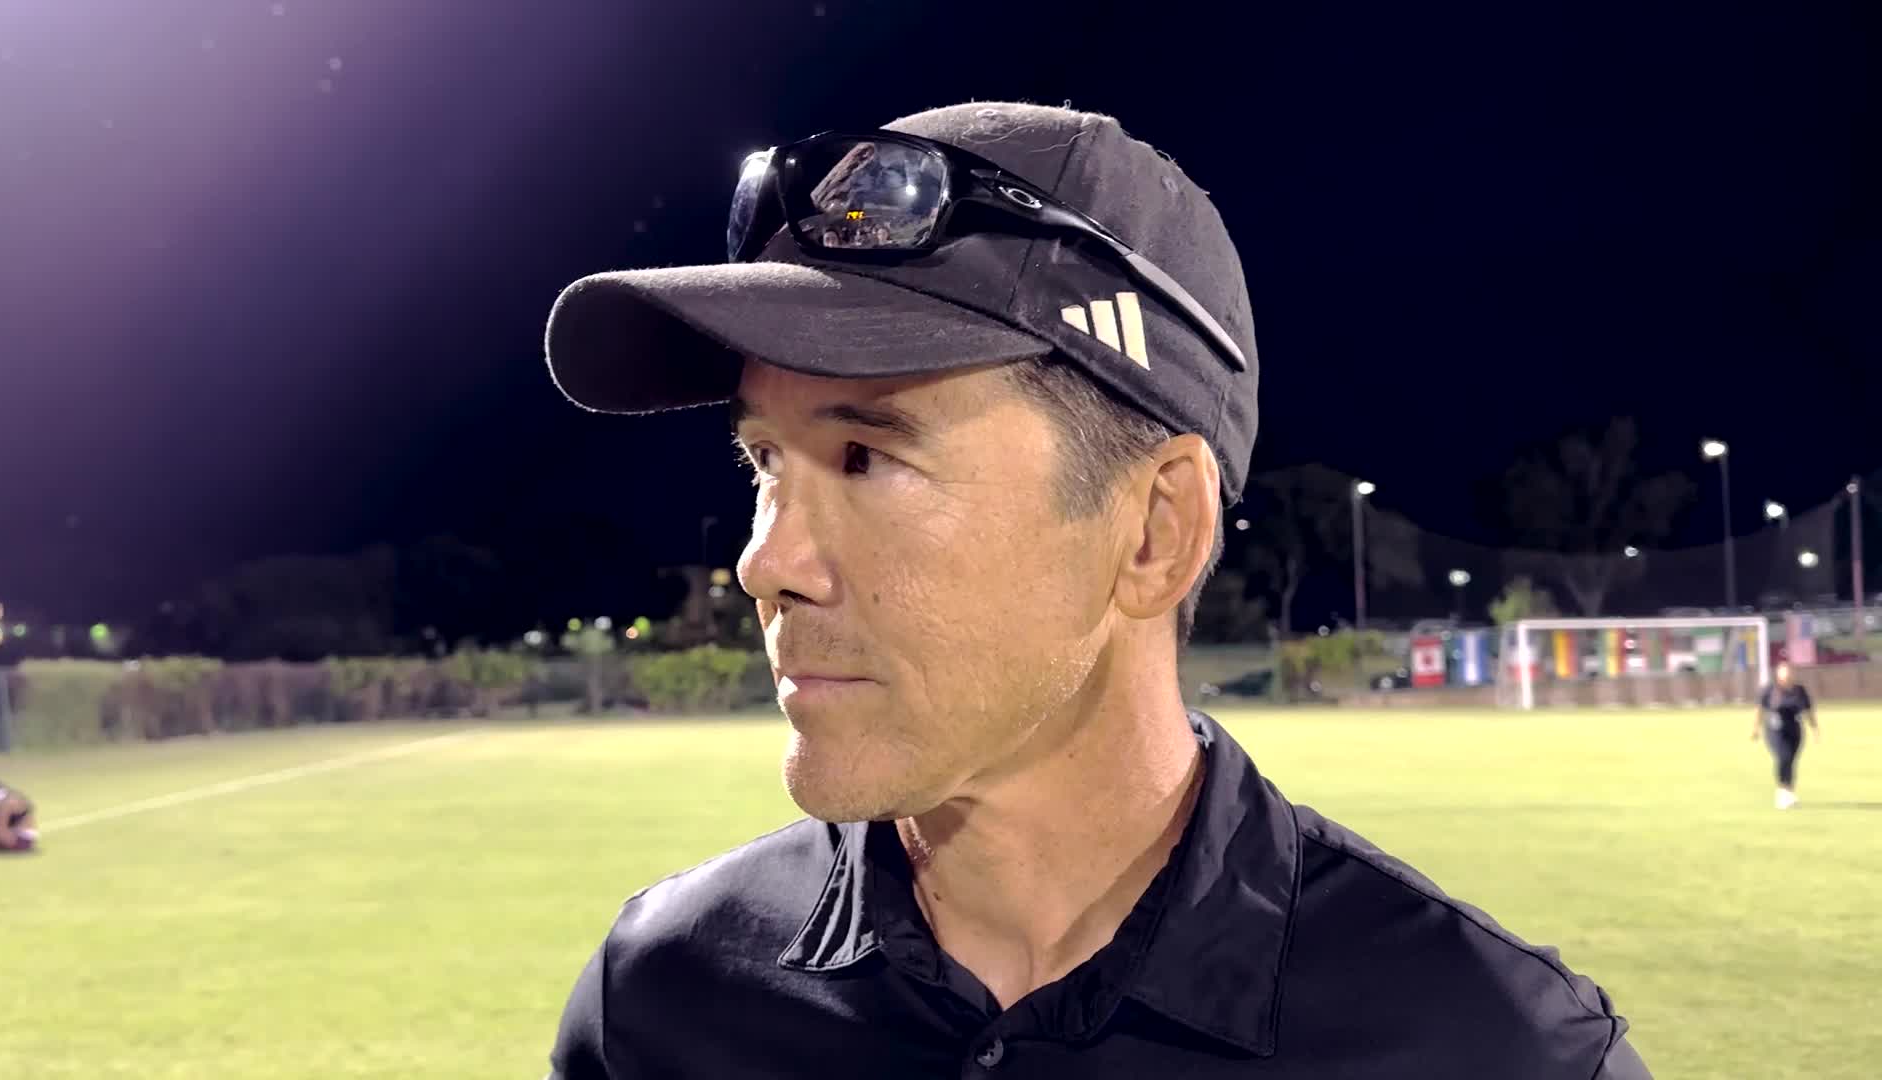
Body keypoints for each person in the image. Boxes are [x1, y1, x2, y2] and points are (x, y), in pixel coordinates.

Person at [540, 102, 1650, 1079]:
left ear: (1157, 531)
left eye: (867, 458)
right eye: (765, 464)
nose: (766, 563)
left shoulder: (1493, 1053)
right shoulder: (662, 1005)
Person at [1753, 661, 1819, 809]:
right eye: (1784, 673)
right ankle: (1782, 791)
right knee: (1784, 757)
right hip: (1775, 729)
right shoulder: (1769, 690)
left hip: (1794, 729)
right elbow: (1759, 709)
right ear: (1778, 674)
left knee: (1791, 761)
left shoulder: (1799, 690)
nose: (1787, 676)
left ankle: (1789, 792)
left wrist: (1815, 729)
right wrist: (1755, 728)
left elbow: (1809, 711)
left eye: (1790, 672)